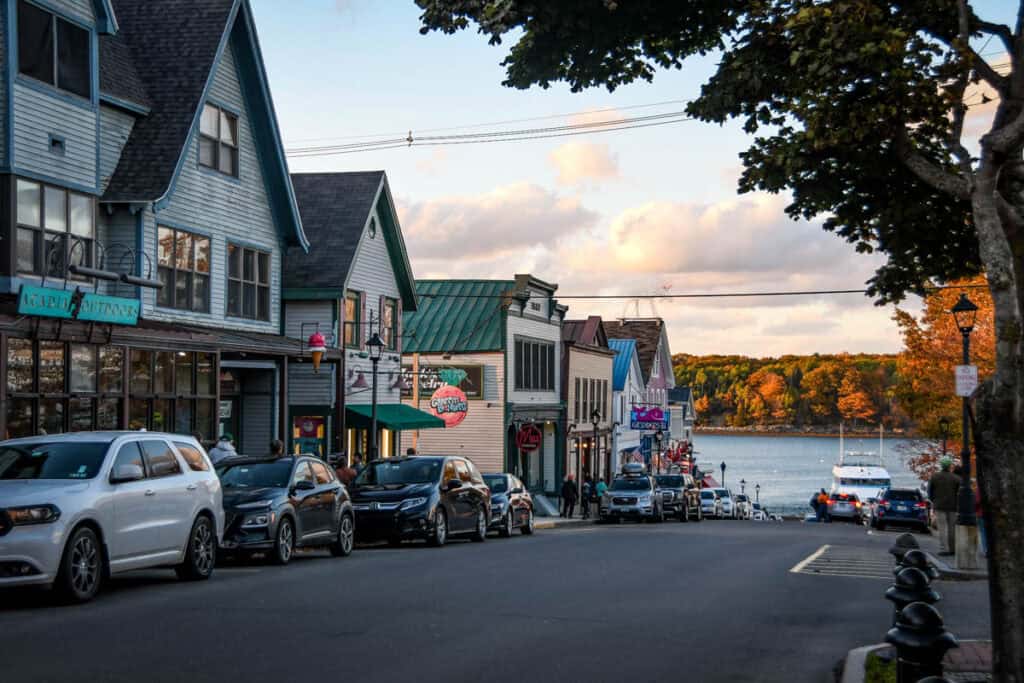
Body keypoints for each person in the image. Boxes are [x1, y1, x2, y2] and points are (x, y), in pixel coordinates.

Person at [928, 458, 960, 556]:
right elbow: (959, 493)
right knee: (952, 528)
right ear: (950, 465)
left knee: (942, 528)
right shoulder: (956, 478)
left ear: (941, 465)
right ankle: (952, 548)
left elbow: (929, 492)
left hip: (939, 505)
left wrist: (934, 500)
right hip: (953, 506)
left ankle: (944, 548)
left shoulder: (935, 477)